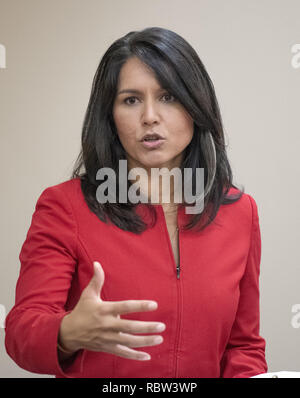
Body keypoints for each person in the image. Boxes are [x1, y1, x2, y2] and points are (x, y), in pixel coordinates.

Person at [4, 27, 268, 378]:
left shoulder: (240, 212)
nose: (149, 116)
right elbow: (21, 332)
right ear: (110, 116)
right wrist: (67, 332)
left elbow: (243, 346)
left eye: (169, 97)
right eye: (130, 99)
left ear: (196, 107)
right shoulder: (64, 206)